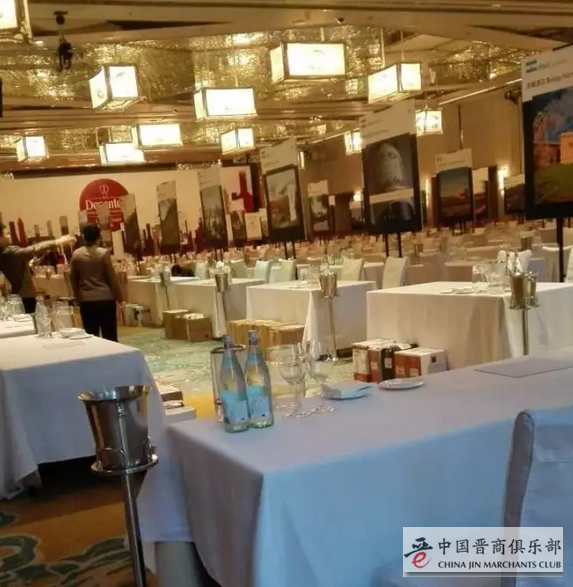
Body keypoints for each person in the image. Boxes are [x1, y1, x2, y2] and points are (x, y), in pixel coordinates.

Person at [0, 225, 76, 313]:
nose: (10, 235)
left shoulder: (4, 253)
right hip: (24, 295)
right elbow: (32, 249)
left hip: (19, 294)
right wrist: (58, 241)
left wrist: (29, 265)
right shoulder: (8, 252)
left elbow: (14, 268)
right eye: (6, 234)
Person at [70, 223, 124, 342]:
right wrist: (120, 297)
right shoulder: (103, 253)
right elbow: (112, 277)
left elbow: (73, 278)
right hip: (106, 299)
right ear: (98, 237)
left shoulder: (76, 254)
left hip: (86, 300)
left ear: (84, 237)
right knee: (110, 336)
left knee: (91, 337)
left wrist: (77, 296)